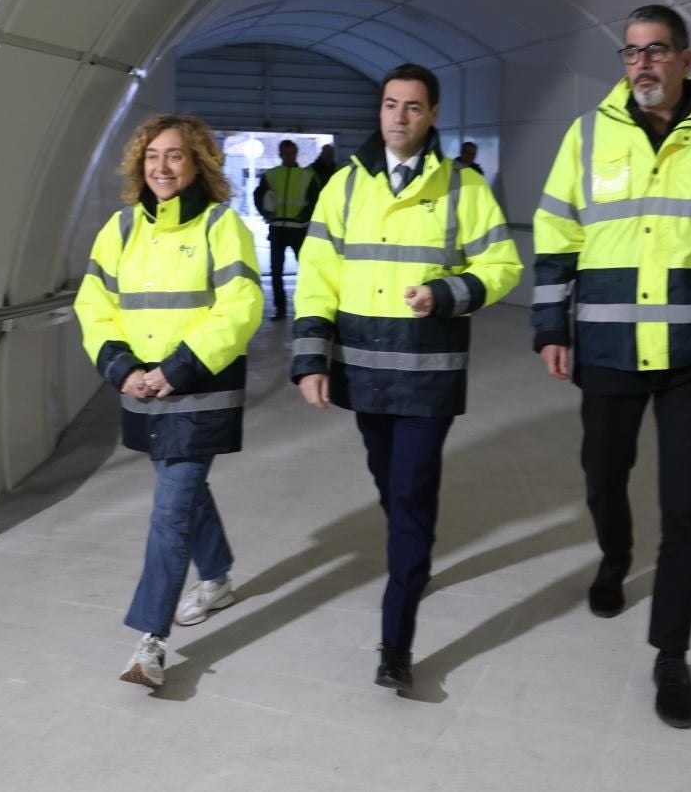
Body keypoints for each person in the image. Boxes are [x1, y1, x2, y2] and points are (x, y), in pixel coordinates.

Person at [531, 4, 691, 728]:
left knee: (686, 508)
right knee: (602, 476)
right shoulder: (587, 136)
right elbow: (557, 232)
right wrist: (552, 322)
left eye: (657, 51)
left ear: (686, 59)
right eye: (631, 52)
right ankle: (615, 556)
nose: (642, 63)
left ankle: (671, 653)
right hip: (607, 349)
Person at [292, 64, 522, 692]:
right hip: (364, 370)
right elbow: (316, 275)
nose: (399, 117)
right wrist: (311, 358)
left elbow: (502, 264)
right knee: (391, 488)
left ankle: (396, 645)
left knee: (412, 495)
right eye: (390, 105)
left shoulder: (464, 187)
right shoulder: (342, 186)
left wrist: (449, 293)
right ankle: (411, 553)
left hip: (428, 372)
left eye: (413, 107)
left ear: (433, 114)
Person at [74, 113, 263, 690]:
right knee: (185, 494)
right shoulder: (121, 229)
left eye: (175, 155)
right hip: (143, 389)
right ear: (140, 164)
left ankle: (150, 642)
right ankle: (220, 576)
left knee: (169, 510)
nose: (162, 166)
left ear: (198, 162)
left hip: (199, 389)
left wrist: (175, 369)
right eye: (153, 155)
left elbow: (241, 307)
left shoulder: (220, 227)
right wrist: (123, 369)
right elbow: (93, 305)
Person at [254, 139, 319, 320]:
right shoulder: (272, 175)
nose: (288, 156)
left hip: (299, 229)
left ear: (296, 153)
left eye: (291, 152)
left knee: (306, 271)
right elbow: (258, 195)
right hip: (277, 229)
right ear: (280, 154)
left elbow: (315, 200)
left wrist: (305, 216)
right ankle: (280, 310)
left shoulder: (307, 175)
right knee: (276, 271)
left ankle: (308, 308)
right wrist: (265, 213)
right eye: (285, 153)